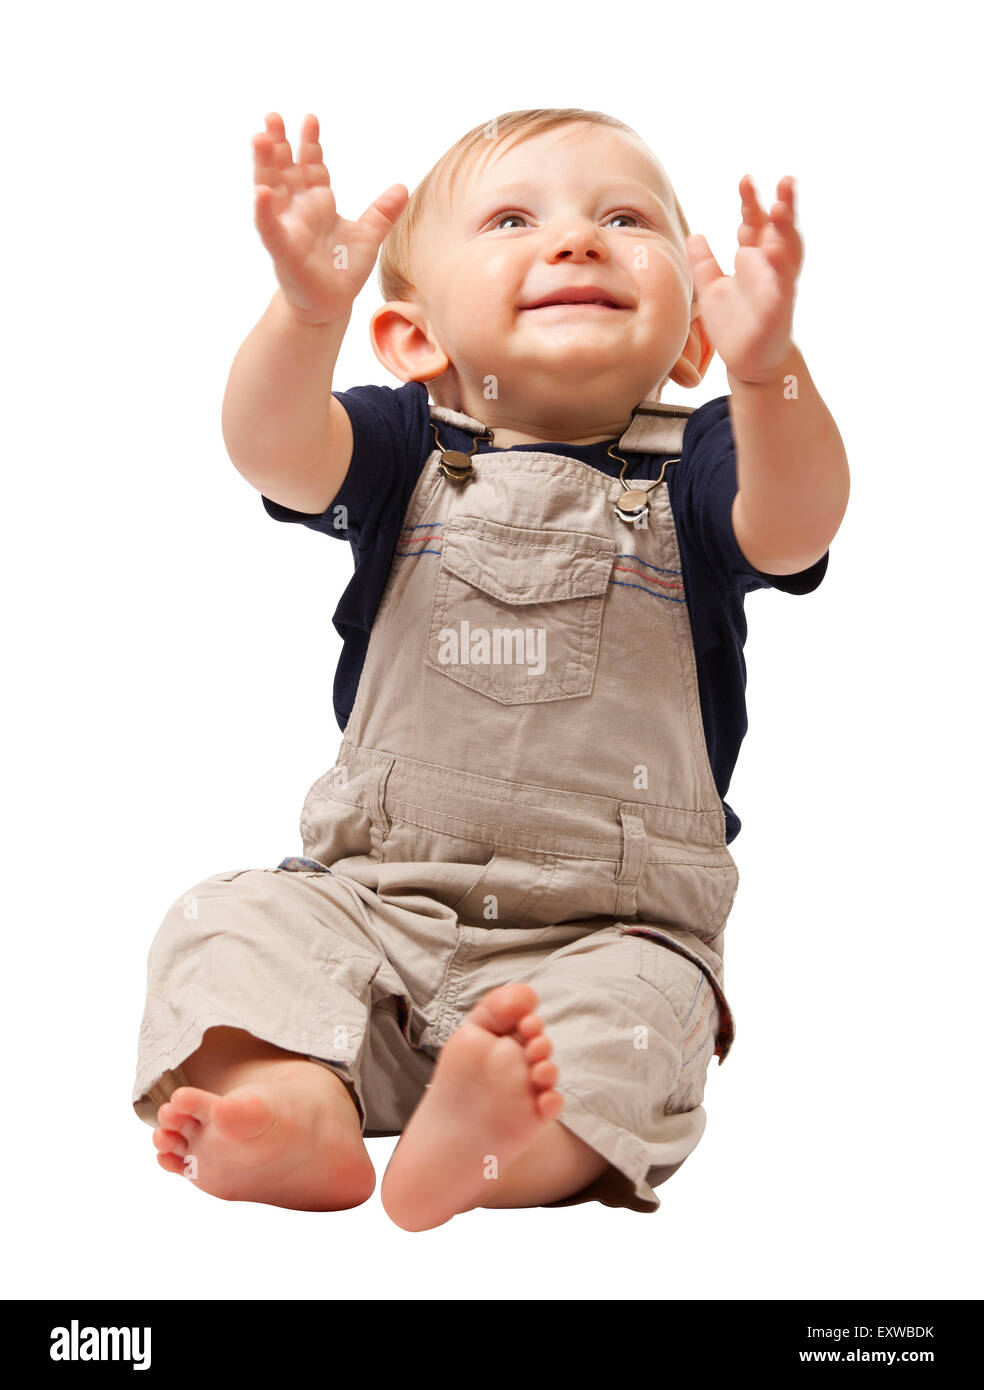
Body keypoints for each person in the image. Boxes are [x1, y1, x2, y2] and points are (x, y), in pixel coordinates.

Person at [132, 108, 849, 1230]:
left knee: (641, 1017)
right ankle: (296, 1103)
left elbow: (796, 526)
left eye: (624, 219)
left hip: (607, 934)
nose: (576, 240)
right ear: (418, 342)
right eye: (515, 219)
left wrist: (774, 380)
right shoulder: (403, 445)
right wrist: (307, 314)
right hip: (371, 910)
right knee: (231, 920)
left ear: (696, 338)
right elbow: (272, 445)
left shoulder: (707, 461)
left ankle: (490, 1149)